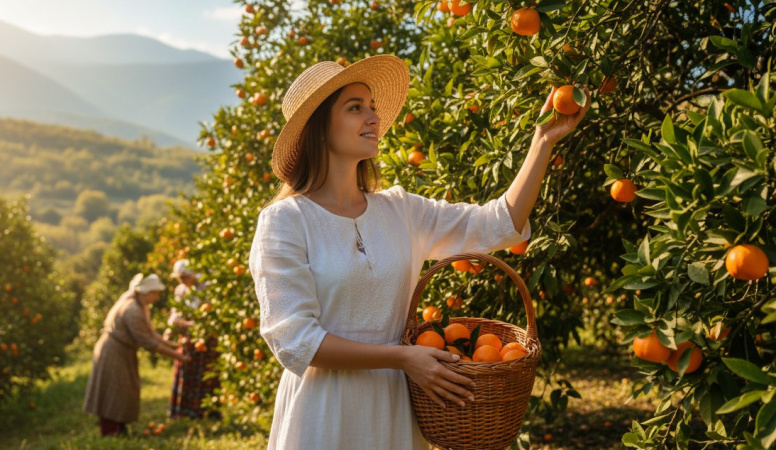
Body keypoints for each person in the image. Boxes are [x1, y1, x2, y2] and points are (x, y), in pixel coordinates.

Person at [248, 54, 589, 449]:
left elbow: (497, 223)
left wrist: (542, 142)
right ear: (318, 128)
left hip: (396, 404)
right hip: (326, 410)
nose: (374, 118)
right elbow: (295, 340)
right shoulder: (285, 221)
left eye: (372, 107)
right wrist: (402, 357)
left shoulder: (400, 210)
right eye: (355, 108)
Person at [83, 273, 190, 437]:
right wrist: (179, 356)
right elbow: (148, 342)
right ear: (146, 292)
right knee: (114, 391)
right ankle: (111, 432)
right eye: (155, 293)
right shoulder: (132, 310)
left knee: (125, 390)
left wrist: (174, 345)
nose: (157, 297)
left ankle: (121, 428)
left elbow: (151, 334)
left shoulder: (140, 306)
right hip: (114, 352)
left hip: (123, 351)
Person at [166, 259, 221, 419]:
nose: (182, 281)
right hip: (187, 337)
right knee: (187, 370)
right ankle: (184, 411)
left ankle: (207, 411)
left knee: (205, 372)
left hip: (206, 337)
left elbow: (210, 314)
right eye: (179, 278)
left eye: (185, 276)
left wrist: (191, 323)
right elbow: (176, 313)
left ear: (192, 274)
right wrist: (171, 329)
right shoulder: (180, 290)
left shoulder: (206, 287)